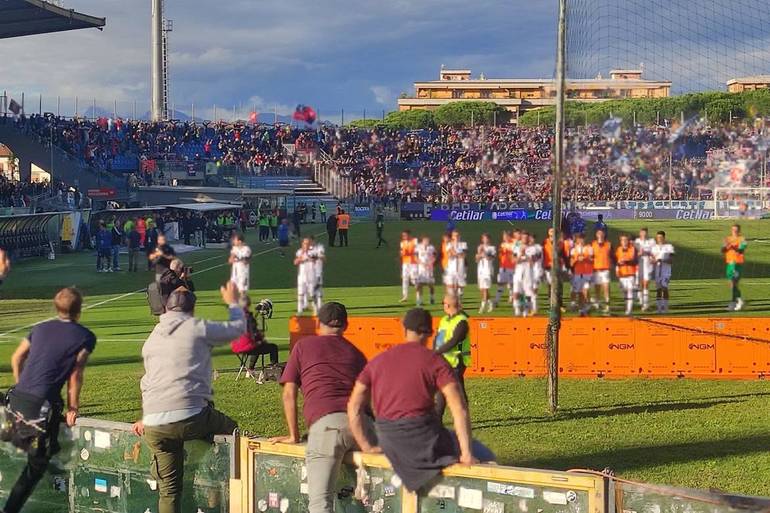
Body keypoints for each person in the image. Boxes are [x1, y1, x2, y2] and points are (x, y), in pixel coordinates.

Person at [347, 308, 493, 494]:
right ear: (431, 334)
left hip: (389, 439)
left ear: (404, 330)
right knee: (485, 454)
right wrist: (467, 454)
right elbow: (459, 408)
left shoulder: (378, 361)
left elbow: (354, 406)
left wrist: (366, 445)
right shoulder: (435, 361)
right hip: (425, 439)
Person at [132, 282, 245, 513]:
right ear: (192, 310)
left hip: (155, 425)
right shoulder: (196, 327)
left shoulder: (153, 337)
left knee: (169, 492)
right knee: (232, 430)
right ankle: (224, 482)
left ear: (167, 309)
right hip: (190, 417)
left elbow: (148, 382)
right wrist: (233, 302)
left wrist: (147, 418)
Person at [274, 302, 373, 513]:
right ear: (346, 325)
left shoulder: (303, 346)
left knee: (320, 504)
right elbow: (369, 398)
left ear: (319, 323)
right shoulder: (356, 353)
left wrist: (293, 435)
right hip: (364, 426)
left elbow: (289, 393)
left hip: (328, 428)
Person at [4, 287, 95, 513]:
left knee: (38, 446)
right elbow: (76, 375)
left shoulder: (40, 328)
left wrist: (22, 384)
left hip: (15, 399)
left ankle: (52, 451)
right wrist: (74, 407)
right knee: (36, 466)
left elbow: (17, 358)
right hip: (41, 407)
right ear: (79, 309)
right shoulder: (84, 337)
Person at [433, 296, 471, 418]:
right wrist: (434, 351)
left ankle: (464, 419)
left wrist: (437, 352)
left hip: (456, 363)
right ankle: (437, 422)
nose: (443, 305)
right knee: (441, 393)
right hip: (443, 362)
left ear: (448, 305)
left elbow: (455, 340)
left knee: (457, 394)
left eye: (443, 303)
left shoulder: (462, 322)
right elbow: (438, 337)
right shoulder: (444, 320)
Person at [231, 296, 279, 376]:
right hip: (247, 348)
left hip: (237, 348)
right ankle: (273, 370)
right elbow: (255, 335)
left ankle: (250, 370)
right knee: (272, 347)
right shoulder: (250, 318)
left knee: (255, 345)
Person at [723, 224, 747, 311]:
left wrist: (732, 246)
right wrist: (726, 246)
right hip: (729, 263)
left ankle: (739, 301)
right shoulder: (728, 239)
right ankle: (734, 302)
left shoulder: (742, 239)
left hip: (737, 263)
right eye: (733, 229)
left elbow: (741, 250)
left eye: (736, 230)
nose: (734, 231)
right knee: (731, 284)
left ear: (739, 231)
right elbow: (723, 250)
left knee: (734, 283)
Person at [569, 233, 594, 316]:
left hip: (587, 272)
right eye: (579, 239)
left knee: (585, 290)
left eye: (582, 238)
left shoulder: (589, 248)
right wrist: (577, 259)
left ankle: (586, 306)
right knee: (579, 292)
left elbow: (593, 260)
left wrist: (585, 258)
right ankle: (582, 309)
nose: (581, 240)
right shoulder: (573, 250)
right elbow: (571, 263)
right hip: (578, 273)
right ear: (577, 240)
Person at [651, 230, 675, 313]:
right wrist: (654, 261)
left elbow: (671, 261)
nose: (659, 239)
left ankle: (665, 307)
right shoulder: (654, 248)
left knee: (664, 288)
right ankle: (659, 308)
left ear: (664, 238)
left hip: (666, 272)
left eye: (661, 237)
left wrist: (663, 260)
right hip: (658, 272)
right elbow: (652, 260)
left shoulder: (669, 247)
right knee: (658, 290)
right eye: (658, 238)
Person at [615, 235, 638, 316]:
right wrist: (617, 268)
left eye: (625, 240)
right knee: (624, 292)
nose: (624, 242)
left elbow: (634, 260)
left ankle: (629, 310)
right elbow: (617, 261)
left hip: (631, 273)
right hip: (622, 274)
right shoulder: (619, 249)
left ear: (628, 241)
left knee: (630, 291)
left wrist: (625, 261)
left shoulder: (632, 249)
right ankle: (628, 307)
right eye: (622, 240)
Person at [634, 227, 655, 312]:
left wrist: (651, 256)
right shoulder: (636, 242)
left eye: (645, 233)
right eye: (642, 233)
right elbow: (633, 254)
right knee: (638, 284)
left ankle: (645, 304)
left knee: (646, 284)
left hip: (648, 265)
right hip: (639, 265)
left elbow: (654, 252)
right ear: (640, 233)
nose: (644, 234)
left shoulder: (651, 242)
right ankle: (640, 299)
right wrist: (639, 253)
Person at [591, 229, 612, 314]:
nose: (600, 234)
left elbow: (613, 256)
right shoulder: (593, 244)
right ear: (596, 234)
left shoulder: (608, 244)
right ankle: (597, 303)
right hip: (596, 270)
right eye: (598, 233)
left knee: (606, 288)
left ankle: (607, 306)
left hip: (605, 270)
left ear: (604, 234)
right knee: (597, 289)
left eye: (601, 233)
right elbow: (591, 256)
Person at [444, 230, 468, 299]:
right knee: (451, 287)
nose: (456, 237)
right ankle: (452, 301)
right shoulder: (449, 245)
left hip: (460, 268)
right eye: (455, 235)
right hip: (451, 268)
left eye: (457, 235)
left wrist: (454, 253)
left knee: (459, 286)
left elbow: (463, 255)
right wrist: (457, 254)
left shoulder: (463, 244)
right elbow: (449, 255)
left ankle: (458, 303)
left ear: (460, 236)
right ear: (452, 237)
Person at [476, 234, 496, 314]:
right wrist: (479, 253)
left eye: (487, 238)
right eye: (484, 238)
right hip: (480, 270)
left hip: (488, 270)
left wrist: (484, 252)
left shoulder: (492, 248)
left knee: (485, 289)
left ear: (489, 239)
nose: (485, 240)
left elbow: (491, 258)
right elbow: (477, 260)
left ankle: (482, 307)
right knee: (482, 289)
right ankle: (490, 303)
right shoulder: (480, 247)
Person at [493, 231, 515, 307]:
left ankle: (512, 298)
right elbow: (500, 255)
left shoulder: (514, 243)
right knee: (501, 284)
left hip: (512, 267)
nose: (504, 238)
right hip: (503, 267)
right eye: (503, 236)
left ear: (509, 236)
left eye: (506, 236)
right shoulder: (502, 244)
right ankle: (496, 300)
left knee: (512, 284)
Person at [295, 238, 315, 314]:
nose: (306, 245)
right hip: (302, 276)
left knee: (312, 293)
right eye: (304, 243)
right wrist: (301, 258)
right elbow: (295, 262)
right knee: (301, 293)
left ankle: (316, 308)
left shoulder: (313, 252)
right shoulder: (300, 252)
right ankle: (300, 309)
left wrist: (308, 256)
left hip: (311, 276)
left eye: (307, 243)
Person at [415, 236, 436, 307]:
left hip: (429, 269)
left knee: (431, 285)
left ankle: (432, 298)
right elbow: (415, 257)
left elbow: (434, 257)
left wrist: (431, 263)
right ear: (422, 241)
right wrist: (421, 263)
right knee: (419, 285)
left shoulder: (431, 248)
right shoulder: (418, 247)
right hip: (421, 269)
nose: (427, 242)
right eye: (425, 241)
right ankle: (419, 301)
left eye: (428, 241)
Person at [399, 230, 418, 303]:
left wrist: (409, 252)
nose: (404, 237)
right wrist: (402, 254)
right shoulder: (402, 243)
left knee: (414, 279)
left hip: (413, 263)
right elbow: (401, 253)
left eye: (405, 235)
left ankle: (418, 295)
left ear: (409, 235)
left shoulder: (414, 241)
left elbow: (417, 251)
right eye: (403, 236)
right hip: (405, 263)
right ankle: (405, 296)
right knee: (405, 279)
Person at [309, 236, 326, 311]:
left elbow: (323, 258)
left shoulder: (319, 248)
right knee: (312, 292)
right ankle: (317, 304)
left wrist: (317, 257)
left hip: (317, 273)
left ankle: (318, 306)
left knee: (317, 290)